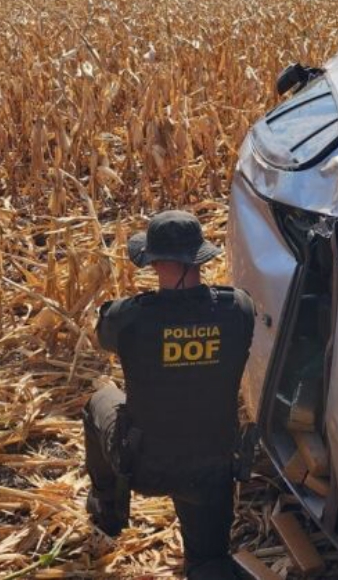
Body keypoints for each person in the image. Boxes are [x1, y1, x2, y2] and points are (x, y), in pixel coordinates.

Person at [84, 210, 255, 580]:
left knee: (100, 399)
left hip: (143, 462)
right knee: (209, 563)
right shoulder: (238, 309)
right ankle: (205, 559)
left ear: (155, 261)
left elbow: (104, 336)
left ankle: (108, 511)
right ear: (200, 257)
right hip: (212, 468)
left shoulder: (128, 318)